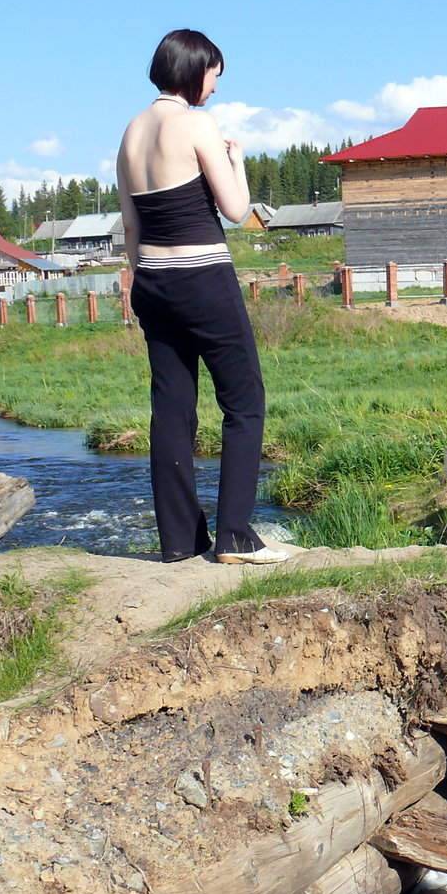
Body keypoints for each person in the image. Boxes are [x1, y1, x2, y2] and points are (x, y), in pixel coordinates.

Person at [116, 29, 288, 565]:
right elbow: (236, 209)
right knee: (244, 401)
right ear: (194, 70)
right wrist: (237, 161)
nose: (214, 84)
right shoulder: (195, 123)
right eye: (214, 72)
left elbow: (130, 226)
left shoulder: (130, 132)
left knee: (171, 408)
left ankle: (178, 543)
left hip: (151, 281)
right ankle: (234, 536)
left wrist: (145, 280)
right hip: (202, 278)